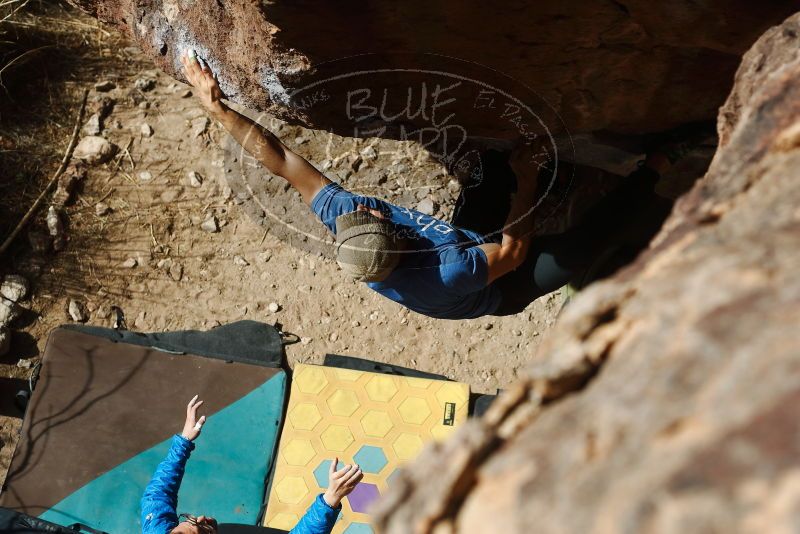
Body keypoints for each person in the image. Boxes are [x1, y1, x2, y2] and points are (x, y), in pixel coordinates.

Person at [180, 52, 674, 320]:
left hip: (460, 243)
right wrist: (528, 182)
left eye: (360, 215)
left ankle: (537, 171)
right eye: (375, 218)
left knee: (485, 183)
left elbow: (283, 160)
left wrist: (216, 108)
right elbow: (514, 250)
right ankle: (655, 168)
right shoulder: (448, 272)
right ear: (400, 242)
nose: (370, 209)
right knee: (579, 245)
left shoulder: (348, 222)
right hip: (501, 287)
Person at [141, 396, 364, 534]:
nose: (200, 518)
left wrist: (183, 442)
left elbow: (157, 495)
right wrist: (330, 500)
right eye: (202, 529)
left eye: (189, 520)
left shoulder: (157, 530)